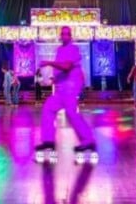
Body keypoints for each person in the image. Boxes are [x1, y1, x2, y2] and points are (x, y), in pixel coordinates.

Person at [35, 26, 96, 161]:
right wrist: (55, 78)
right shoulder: (59, 50)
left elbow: (66, 66)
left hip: (71, 85)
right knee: (49, 107)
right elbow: (60, 68)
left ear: (71, 36)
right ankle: (48, 140)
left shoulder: (73, 49)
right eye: (62, 34)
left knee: (71, 113)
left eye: (67, 34)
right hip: (61, 87)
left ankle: (88, 141)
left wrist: (48, 62)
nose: (64, 36)